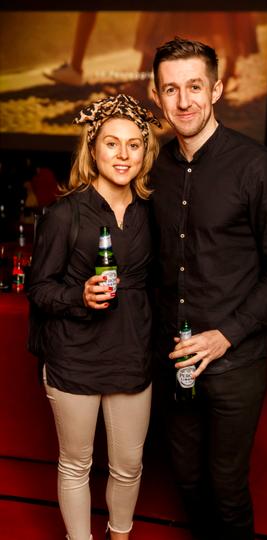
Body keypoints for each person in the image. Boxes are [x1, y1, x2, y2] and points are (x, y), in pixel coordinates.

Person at [150, 37, 267, 540]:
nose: (184, 100)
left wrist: (225, 335)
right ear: (157, 95)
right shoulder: (155, 169)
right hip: (175, 360)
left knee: (227, 489)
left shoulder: (256, 166)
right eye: (171, 89)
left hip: (234, 363)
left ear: (216, 89)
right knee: (187, 480)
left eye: (194, 86)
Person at [28, 94, 161, 540]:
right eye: (111, 143)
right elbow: (39, 289)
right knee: (76, 463)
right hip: (74, 358)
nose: (123, 155)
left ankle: (119, 536)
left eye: (133, 145)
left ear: (145, 153)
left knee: (128, 465)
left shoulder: (151, 213)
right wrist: (78, 296)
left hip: (131, 356)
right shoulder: (64, 213)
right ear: (92, 148)